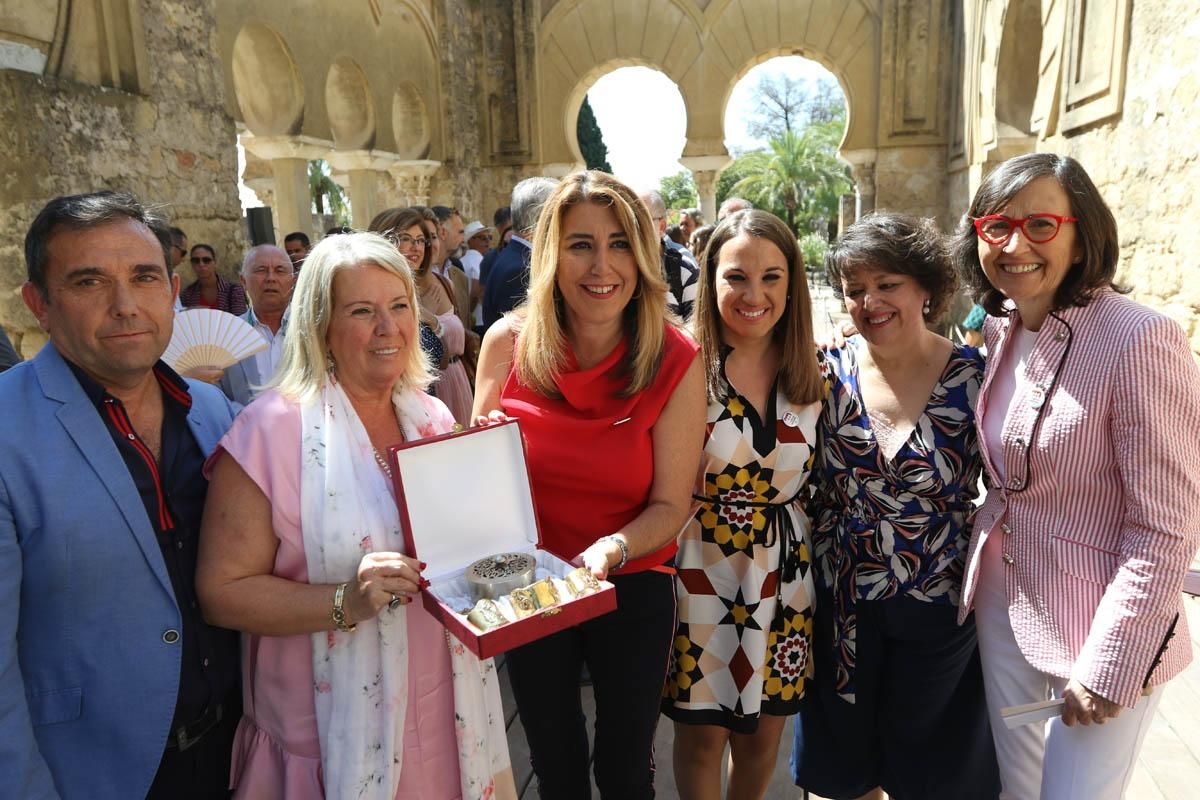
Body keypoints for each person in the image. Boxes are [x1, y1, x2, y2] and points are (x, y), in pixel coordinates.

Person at [195, 231, 514, 800]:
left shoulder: (432, 416)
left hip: (445, 708)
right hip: (326, 728)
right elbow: (221, 592)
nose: (388, 327)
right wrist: (345, 600)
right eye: (362, 311)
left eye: (398, 307)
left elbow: (455, 553)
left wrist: (491, 484)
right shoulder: (270, 431)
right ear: (321, 326)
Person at [953, 152, 1200, 799]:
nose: (1014, 244)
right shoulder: (1007, 325)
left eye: (1040, 225)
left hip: (1102, 623)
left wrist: (1113, 663)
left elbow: (1167, 526)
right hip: (1005, 601)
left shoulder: (1139, 338)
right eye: (997, 226)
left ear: (1082, 231)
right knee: (1020, 788)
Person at [472, 171, 706, 799]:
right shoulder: (506, 344)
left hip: (628, 580)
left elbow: (670, 505)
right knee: (554, 759)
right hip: (529, 582)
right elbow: (473, 488)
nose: (601, 265)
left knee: (626, 766)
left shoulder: (675, 357)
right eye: (580, 244)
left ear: (643, 254)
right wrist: (483, 449)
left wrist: (611, 548)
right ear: (550, 253)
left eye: (619, 243)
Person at [1, 190, 240, 799]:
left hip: (236, 753)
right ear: (39, 305)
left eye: (144, 277)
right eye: (88, 282)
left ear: (173, 289)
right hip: (94, 774)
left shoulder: (211, 410)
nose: (126, 305)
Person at [792, 212, 1000, 800]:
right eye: (855, 290)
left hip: (939, 603)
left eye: (888, 285)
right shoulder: (823, 372)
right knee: (846, 766)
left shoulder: (976, 379)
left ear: (926, 288)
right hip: (842, 599)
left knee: (931, 769)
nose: (870, 302)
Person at [663, 209, 824, 800]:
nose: (754, 294)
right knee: (703, 737)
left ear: (792, 283)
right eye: (736, 277)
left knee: (763, 740)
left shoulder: (814, 366)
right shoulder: (680, 364)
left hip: (786, 575)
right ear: (709, 280)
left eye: (772, 277)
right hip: (702, 567)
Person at [218, 244, 295, 406]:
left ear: (293, 281)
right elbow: (220, 398)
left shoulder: (313, 331)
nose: (271, 278)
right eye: (261, 270)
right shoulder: (226, 335)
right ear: (243, 281)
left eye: (280, 271)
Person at [482, 177, 557, 328]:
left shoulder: (515, 257)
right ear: (540, 219)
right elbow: (521, 339)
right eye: (556, 215)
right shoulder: (520, 269)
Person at [639, 189, 699, 320]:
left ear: (661, 227)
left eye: (640, 221)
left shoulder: (684, 267)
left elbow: (696, 329)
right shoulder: (616, 264)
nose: (632, 229)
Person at [180, 243, 248, 315]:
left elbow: (240, 320)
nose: (201, 264)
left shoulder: (233, 290)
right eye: (196, 260)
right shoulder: (188, 294)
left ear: (215, 262)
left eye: (206, 260)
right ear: (192, 264)